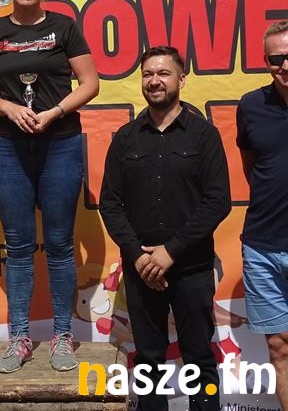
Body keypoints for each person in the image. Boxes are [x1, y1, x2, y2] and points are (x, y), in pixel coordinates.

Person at [0, 0, 99, 372]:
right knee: (19, 246)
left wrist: (55, 111)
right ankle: (20, 337)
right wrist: (9, 108)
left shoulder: (64, 28)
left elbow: (90, 83)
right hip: (11, 146)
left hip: (60, 143)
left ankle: (62, 335)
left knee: (60, 245)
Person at [99, 46, 231, 411]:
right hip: (141, 269)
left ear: (181, 80)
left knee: (199, 357)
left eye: (163, 73)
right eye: (148, 74)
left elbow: (218, 200)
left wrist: (171, 252)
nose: (154, 81)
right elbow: (110, 203)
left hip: (192, 267)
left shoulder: (204, 136)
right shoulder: (125, 138)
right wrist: (138, 257)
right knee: (149, 359)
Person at [236, 19, 288, 408]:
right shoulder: (251, 105)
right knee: (279, 347)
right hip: (262, 246)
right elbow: (251, 168)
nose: (285, 65)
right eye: (276, 58)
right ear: (266, 61)